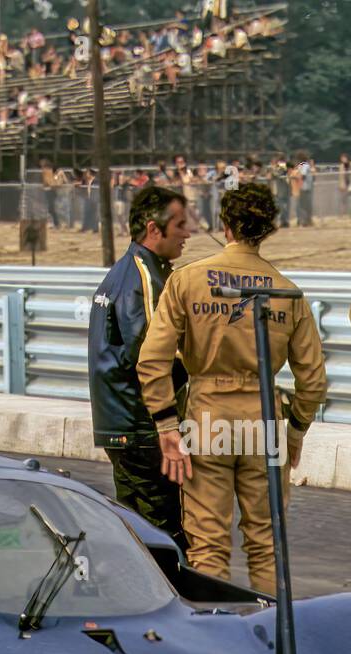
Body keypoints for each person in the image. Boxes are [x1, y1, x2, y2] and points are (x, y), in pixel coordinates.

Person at [135, 184, 328, 593]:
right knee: (266, 545)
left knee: (208, 546)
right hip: (266, 419)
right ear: (269, 229)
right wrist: (294, 430)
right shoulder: (287, 290)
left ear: (225, 225)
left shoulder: (187, 280)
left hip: (207, 416)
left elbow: (152, 361)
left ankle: (216, 640)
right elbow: (312, 379)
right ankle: (273, 640)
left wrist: (167, 427)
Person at [88, 186, 192, 549]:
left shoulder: (125, 270)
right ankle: (170, 602)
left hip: (121, 424)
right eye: (180, 225)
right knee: (163, 535)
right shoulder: (143, 277)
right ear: (154, 229)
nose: (188, 233)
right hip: (141, 427)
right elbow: (152, 356)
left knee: (136, 530)